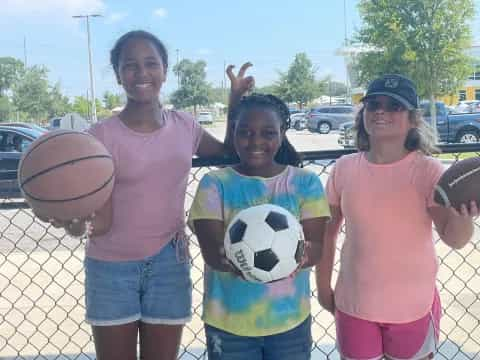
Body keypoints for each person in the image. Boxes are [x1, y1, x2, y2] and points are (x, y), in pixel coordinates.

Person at [43, 30, 254, 360]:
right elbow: (95, 223)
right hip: (111, 269)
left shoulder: (186, 126)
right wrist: (72, 223)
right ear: (117, 75)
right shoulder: (98, 138)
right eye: (130, 65)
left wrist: (235, 100)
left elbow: (229, 154)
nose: (141, 73)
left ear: (165, 70)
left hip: (169, 263)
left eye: (150, 63)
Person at [315, 74, 478, 360]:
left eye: (394, 106)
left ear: (413, 119)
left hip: (413, 307)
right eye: (373, 104)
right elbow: (327, 233)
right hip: (355, 304)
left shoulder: (429, 172)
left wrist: (464, 216)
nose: (381, 111)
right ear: (363, 113)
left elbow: (454, 239)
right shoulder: (344, 168)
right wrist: (322, 287)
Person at [188, 82, 331, 359]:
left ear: (281, 135)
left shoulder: (305, 183)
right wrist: (240, 263)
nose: (255, 142)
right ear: (234, 133)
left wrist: (296, 259)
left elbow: (316, 247)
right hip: (229, 323)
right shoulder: (215, 184)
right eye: (245, 132)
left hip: (289, 321)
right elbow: (212, 252)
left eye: (267, 133)